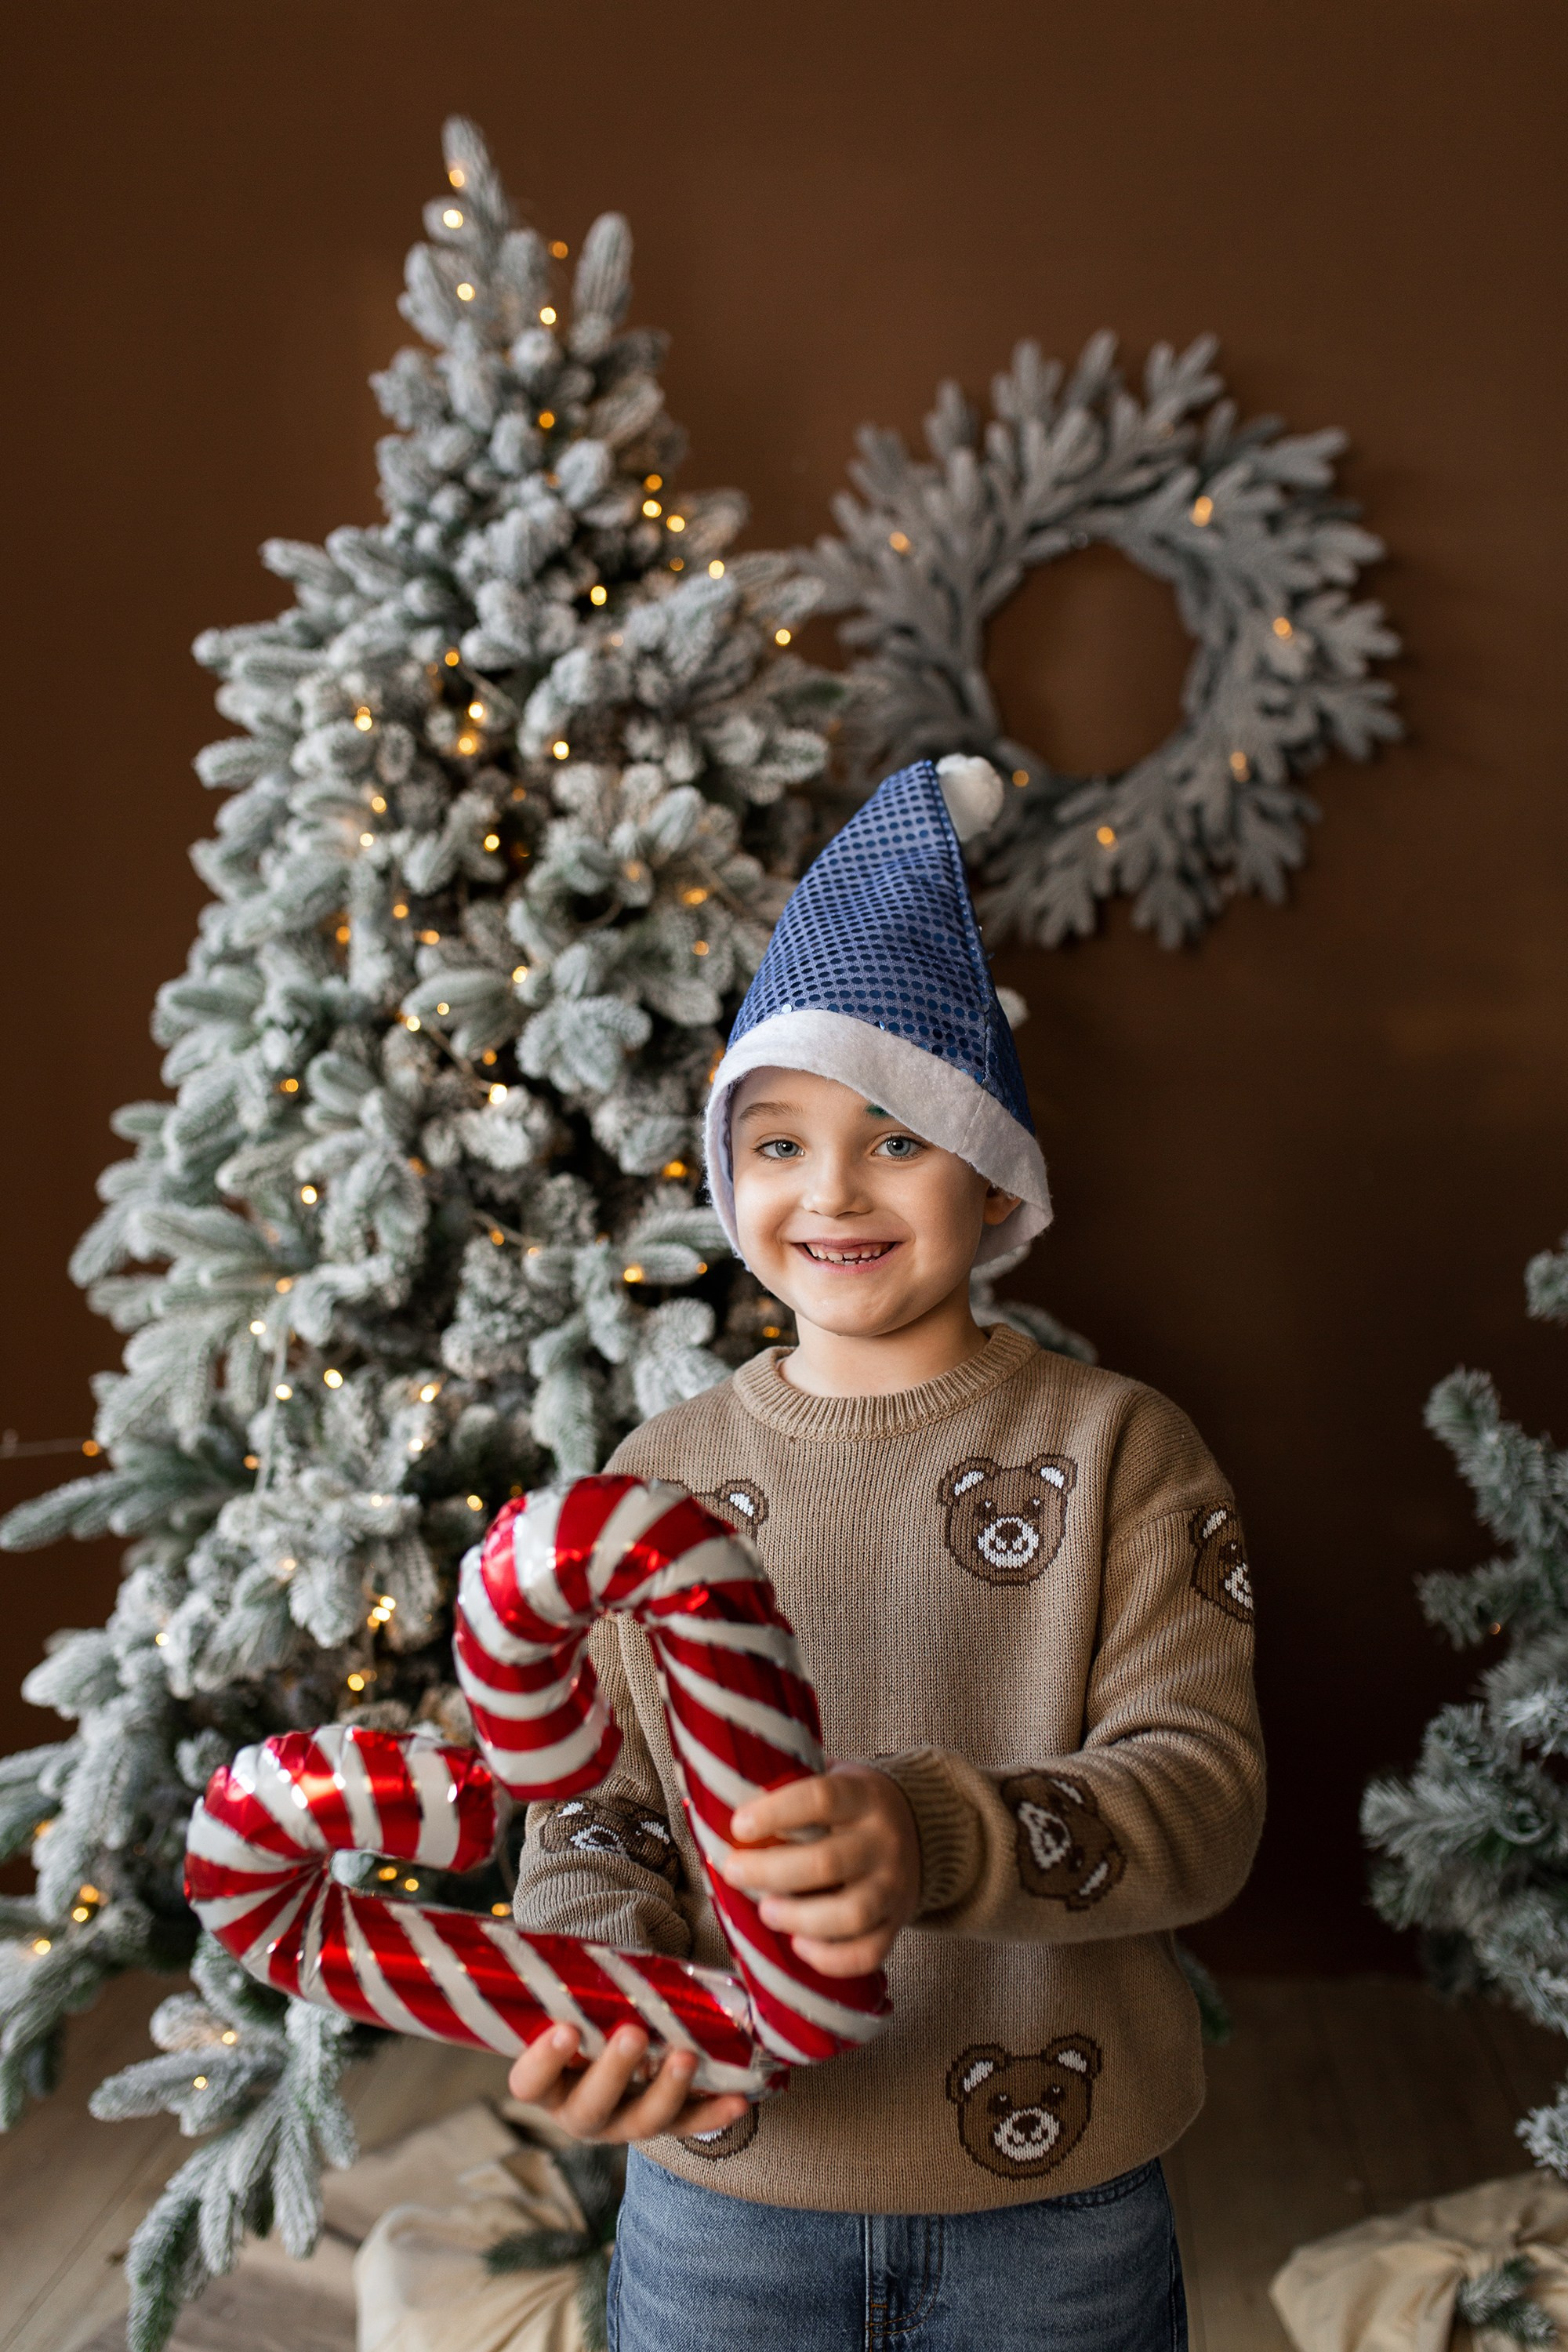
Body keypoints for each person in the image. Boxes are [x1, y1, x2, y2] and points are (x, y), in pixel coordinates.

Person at [506, 756, 1264, 2350]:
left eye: (895, 1137)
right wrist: (593, 1980)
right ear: (727, 1181)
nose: (832, 1189)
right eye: (776, 1144)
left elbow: (1200, 1800)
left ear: (992, 1181)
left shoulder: (1125, 1452)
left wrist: (938, 1835)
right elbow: (599, 1806)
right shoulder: (661, 1478)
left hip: (1054, 2198)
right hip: (725, 2186)